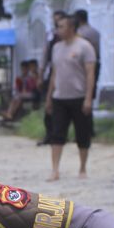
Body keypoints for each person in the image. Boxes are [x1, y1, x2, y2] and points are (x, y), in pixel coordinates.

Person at [44, 14, 96, 180]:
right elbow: (54, 73)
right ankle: (55, 169)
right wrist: (49, 97)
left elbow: (90, 74)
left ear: (71, 28)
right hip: (60, 97)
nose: (58, 30)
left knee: (83, 133)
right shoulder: (56, 48)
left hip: (79, 97)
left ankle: (82, 168)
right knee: (57, 134)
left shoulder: (85, 47)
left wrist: (88, 98)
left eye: (61, 27)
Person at [36, 11, 66, 146]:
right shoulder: (51, 37)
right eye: (56, 22)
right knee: (49, 106)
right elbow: (44, 56)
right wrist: (40, 75)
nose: (57, 26)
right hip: (52, 74)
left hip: (67, 78)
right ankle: (50, 134)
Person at [72, 9, 101, 101]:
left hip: (83, 64)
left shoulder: (80, 33)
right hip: (96, 62)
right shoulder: (95, 32)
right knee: (92, 88)